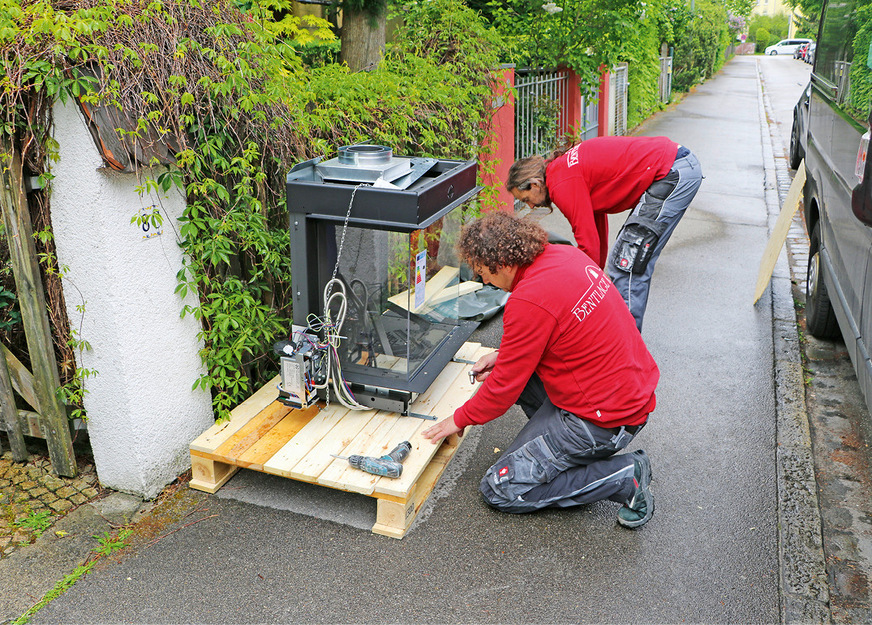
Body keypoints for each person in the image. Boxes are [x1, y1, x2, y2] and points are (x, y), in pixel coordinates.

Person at [422, 211, 660, 527]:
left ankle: (623, 477)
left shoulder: (529, 300)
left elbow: (504, 388)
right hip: (625, 395)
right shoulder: (562, 255)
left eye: (483, 272)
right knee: (513, 374)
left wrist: (458, 419)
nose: (483, 281)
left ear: (504, 263)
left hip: (604, 421)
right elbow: (552, 332)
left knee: (501, 488)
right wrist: (504, 355)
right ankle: (564, 456)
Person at [506, 136, 703, 331]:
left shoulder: (561, 182)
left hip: (671, 171)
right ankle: (617, 337)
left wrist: (572, 295)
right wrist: (594, 276)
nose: (530, 206)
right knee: (624, 257)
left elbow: (588, 246)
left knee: (626, 263)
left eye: (525, 199)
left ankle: (624, 348)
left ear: (534, 184)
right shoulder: (562, 169)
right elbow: (595, 236)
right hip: (674, 164)